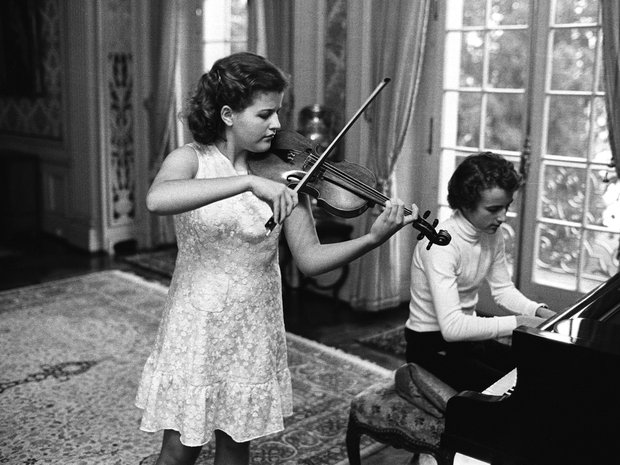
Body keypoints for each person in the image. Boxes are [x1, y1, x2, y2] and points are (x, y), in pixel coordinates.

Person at [134, 51, 418, 465]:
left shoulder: (286, 175)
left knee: (236, 447)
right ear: (228, 114)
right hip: (196, 322)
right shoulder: (191, 159)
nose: (279, 125)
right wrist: (247, 182)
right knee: (180, 449)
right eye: (265, 114)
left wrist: (373, 239)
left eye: (279, 112)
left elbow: (312, 259)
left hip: (254, 324)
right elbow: (158, 199)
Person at [405, 152, 556, 393]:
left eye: (506, 206)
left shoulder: (492, 234)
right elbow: (452, 327)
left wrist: (539, 311)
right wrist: (522, 322)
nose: (503, 217)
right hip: (430, 344)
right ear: (465, 203)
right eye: (494, 209)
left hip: (467, 337)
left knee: (538, 370)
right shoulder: (442, 245)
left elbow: (503, 291)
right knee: (517, 391)